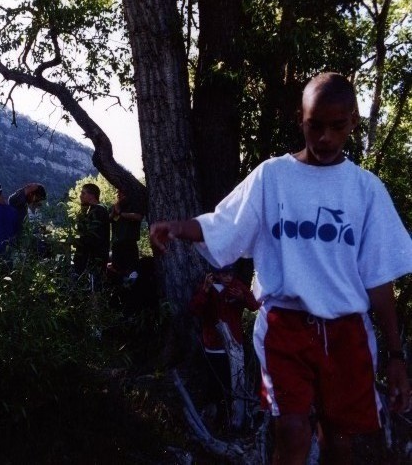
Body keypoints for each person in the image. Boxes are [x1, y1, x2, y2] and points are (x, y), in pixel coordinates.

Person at [150, 72, 412, 463]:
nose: (324, 137)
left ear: (353, 122)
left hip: (347, 333)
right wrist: (179, 228)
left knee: (340, 441)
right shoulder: (273, 177)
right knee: (290, 431)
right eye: (314, 125)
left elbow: (378, 280)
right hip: (284, 328)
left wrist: (394, 356)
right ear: (300, 119)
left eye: (337, 126)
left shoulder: (365, 190)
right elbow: (226, 224)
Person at [190, 264, 260, 428]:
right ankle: (215, 418)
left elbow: (254, 305)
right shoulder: (207, 288)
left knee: (234, 384)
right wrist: (205, 291)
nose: (229, 278)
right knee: (215, 384)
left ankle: (235, 420)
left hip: (234, 345)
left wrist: (242, 297)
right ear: (216, 274)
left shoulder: (237, 286)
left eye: (231, 274)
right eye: (225, 274)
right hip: (213, 346)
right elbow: (194, 309)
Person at [73, 183, 110, 290]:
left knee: (95, 288)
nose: (80, 196)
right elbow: (82, 231)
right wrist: (83, 211)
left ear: (92, 195)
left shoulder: (98, 210)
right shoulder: (92, 210)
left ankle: (96, 306)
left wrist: (75, 242)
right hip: (90, 258)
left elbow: (92, 236)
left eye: (83, 193)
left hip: (94, 258)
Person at [108, 188, 144, 279]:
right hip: (116, 244)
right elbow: (108, 219)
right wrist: (114, 212)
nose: (118, 194)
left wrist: (120, 212)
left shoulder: (134, 204)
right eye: (118, 192)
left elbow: (138, 217)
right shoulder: (115, 206)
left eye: (121, 191)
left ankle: (132, 288)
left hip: (129, 244)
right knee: (116, 270)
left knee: (132, 271)